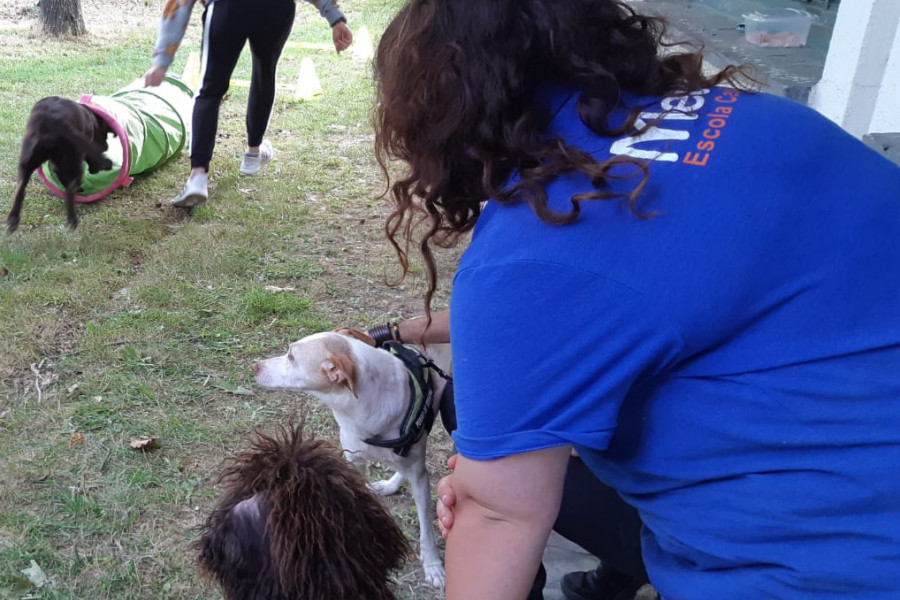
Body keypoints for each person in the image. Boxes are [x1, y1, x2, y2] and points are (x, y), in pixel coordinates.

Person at [371, 2, 900, 600]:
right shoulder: (766, 118)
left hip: (833, 567)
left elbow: (498, 518)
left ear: (439, 114)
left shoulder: (532, 254)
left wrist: (492, 497)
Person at [368, 311, 649, 600]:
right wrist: (387, 332)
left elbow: (493, 313)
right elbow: (489, 312)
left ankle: (639, 564)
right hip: (663, 464)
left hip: (670, 513)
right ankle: (620, 572)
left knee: (490, 490)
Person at [143, 0, 352, 208]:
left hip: (228, 8)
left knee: (210, 90)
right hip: (276, 9)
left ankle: (198, 176)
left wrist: (162, 61)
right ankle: (253, 153)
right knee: (265, 73)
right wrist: (335, 18)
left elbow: (179, 4)